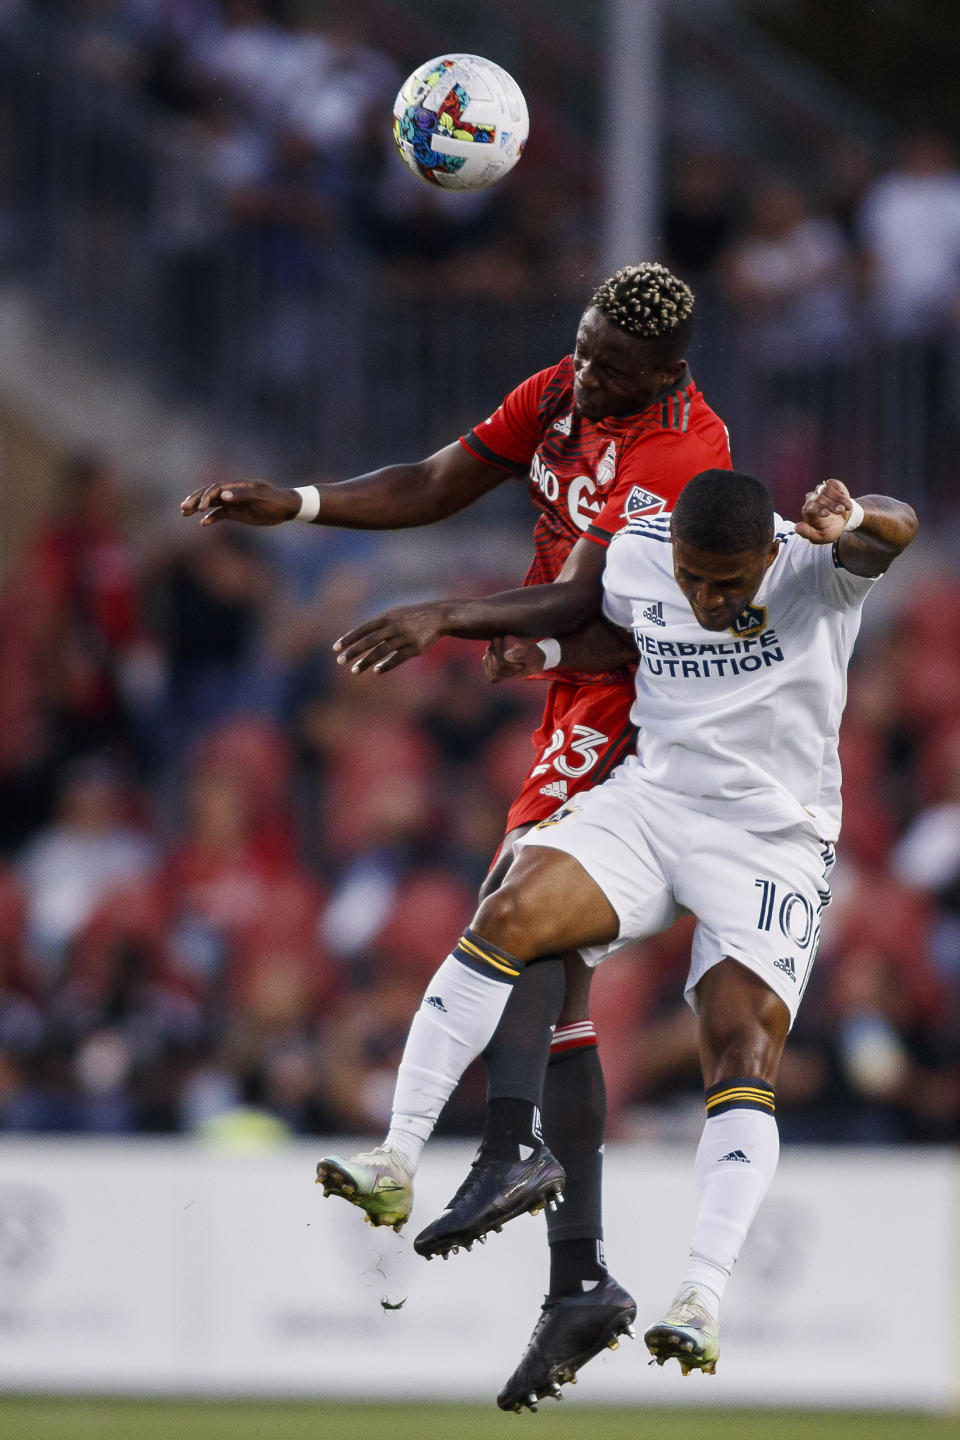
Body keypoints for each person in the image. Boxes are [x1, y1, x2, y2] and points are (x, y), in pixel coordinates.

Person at [180, 261, 732, 1402]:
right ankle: (578, 1279)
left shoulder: (688, 458)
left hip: (647, 701)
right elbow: (438, 479)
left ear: (667, 375)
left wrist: (447, 614)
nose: (583, 376)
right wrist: (303, 503)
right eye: (579, 348)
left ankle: (507, 1151)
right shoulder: (565, 396)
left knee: (518, 911)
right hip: (576, 690)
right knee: (553, 972)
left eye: (611, 369)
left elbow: (594, 603)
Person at [330, 469, 918, 1396]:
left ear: (768, 555)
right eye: (694, 577)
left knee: (741, 1045)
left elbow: (894, 529)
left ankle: (700, 1295)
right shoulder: (648, 550)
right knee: (511, 906)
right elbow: (615, 621)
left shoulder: (813, 566)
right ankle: (399, 1156)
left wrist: (860, 519)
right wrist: (550, 653)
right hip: (655, 803)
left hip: (771, 841)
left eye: (728, 583)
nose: (707, 598)